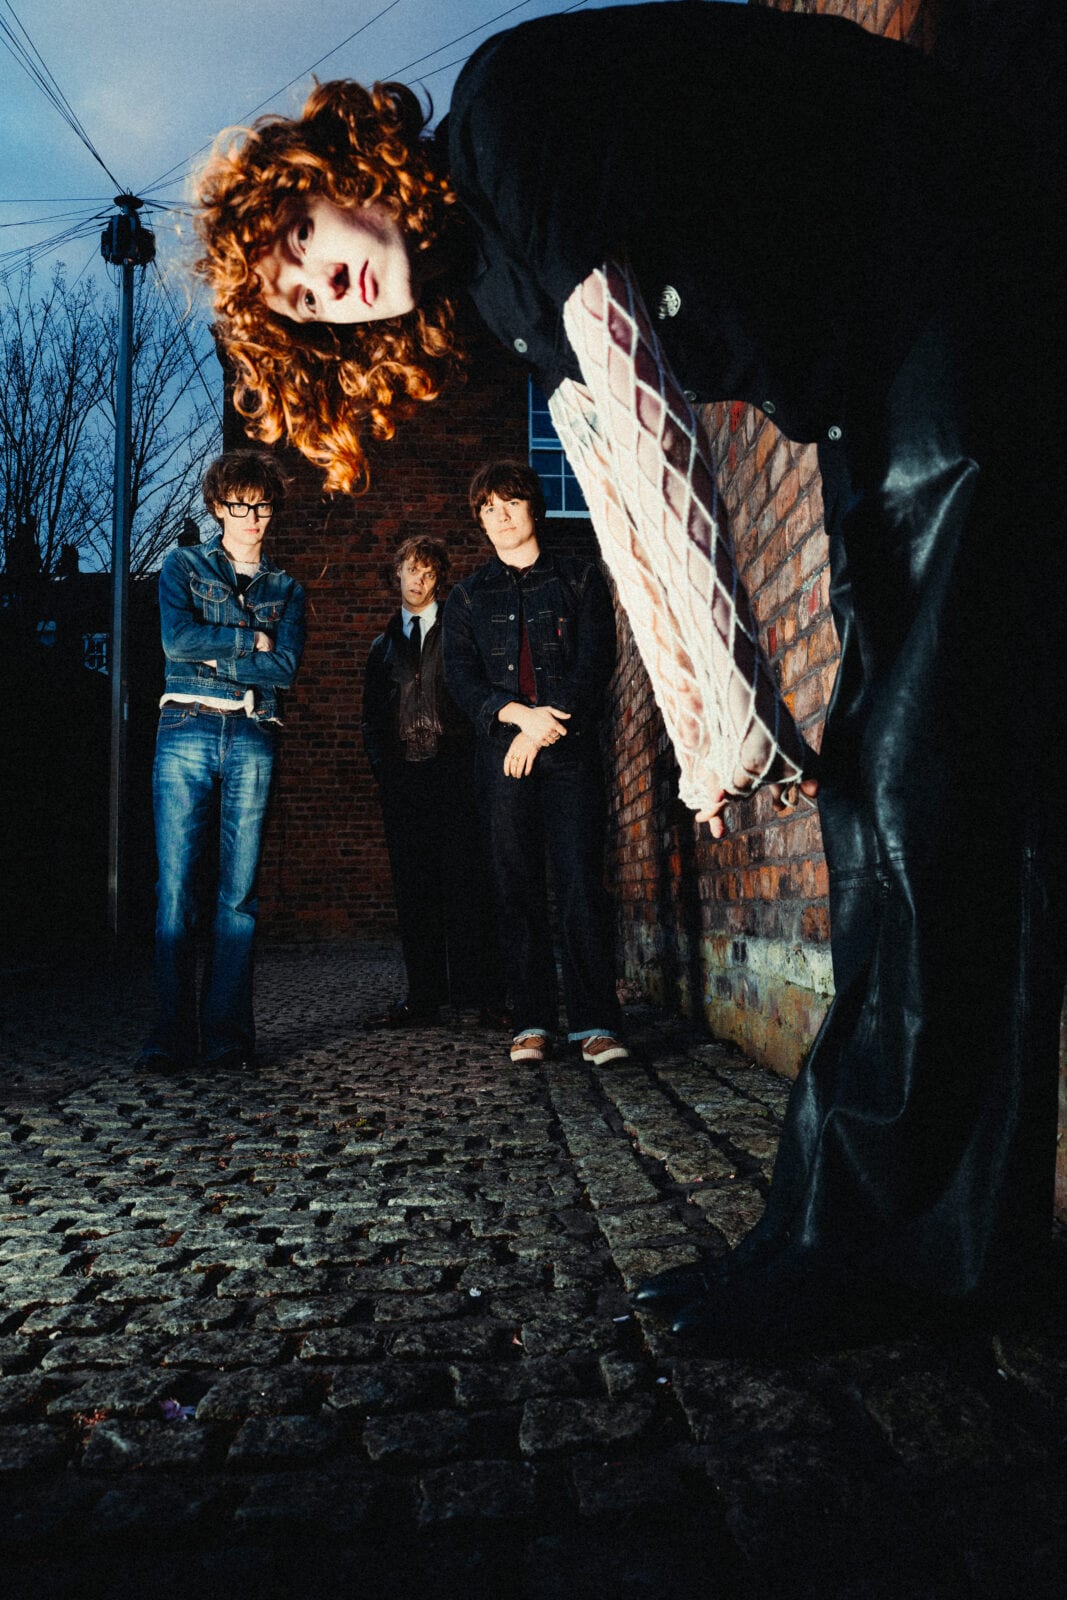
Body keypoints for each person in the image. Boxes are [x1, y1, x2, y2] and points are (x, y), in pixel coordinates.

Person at [192, 4, 1063, 1348]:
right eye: (297, 302)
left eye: (299, 241)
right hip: (867, 367)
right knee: (890, 790)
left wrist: (723, 712)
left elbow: (647, 432)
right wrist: (713, 725)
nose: (320, 285)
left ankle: (874, 1246)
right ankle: (892, 1237)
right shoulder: (493, 294)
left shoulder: (503, 124)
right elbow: (607, 476)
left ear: (342, 170)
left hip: (947, 261)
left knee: (920, 777)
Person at [442, 461, 627, 1067]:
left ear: (533, 507)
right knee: (514, 885)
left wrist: (546, 724)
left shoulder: (579, 577)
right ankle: (532, 1021)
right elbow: (461, 678)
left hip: (569, 752)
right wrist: (520, 719)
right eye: (487, 509)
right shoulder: (467, 596)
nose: (499, 517)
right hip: (502, 757)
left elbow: (597, 659)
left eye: (510, 503)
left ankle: (595, 1023)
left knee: (580, 880)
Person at [140, 450, 306, 1073]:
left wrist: (218, 652)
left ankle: (228, 1039)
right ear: (217, 507)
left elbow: (282, 669)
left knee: (238, 896)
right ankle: (170, 1037)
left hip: (254, 733)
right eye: (239, 505)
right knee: (176, 890)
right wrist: (248, 639)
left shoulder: (287, 589)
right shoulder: (182, 565)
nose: (251, 517)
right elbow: (174, 640)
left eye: (261, 506)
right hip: (185, 726)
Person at [362, 535, 505, 1027]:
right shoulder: (381, 647)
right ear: (397, 574)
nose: (418, 581)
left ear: (438, 579)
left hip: (456, 775)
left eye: (428, 573)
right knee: (414, 890)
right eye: (411, 570)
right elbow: (371, 721)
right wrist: (386, 772)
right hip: (405, 780)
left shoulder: (459, 632)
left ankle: (479, 998)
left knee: (467, 885)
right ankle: (423, 998)